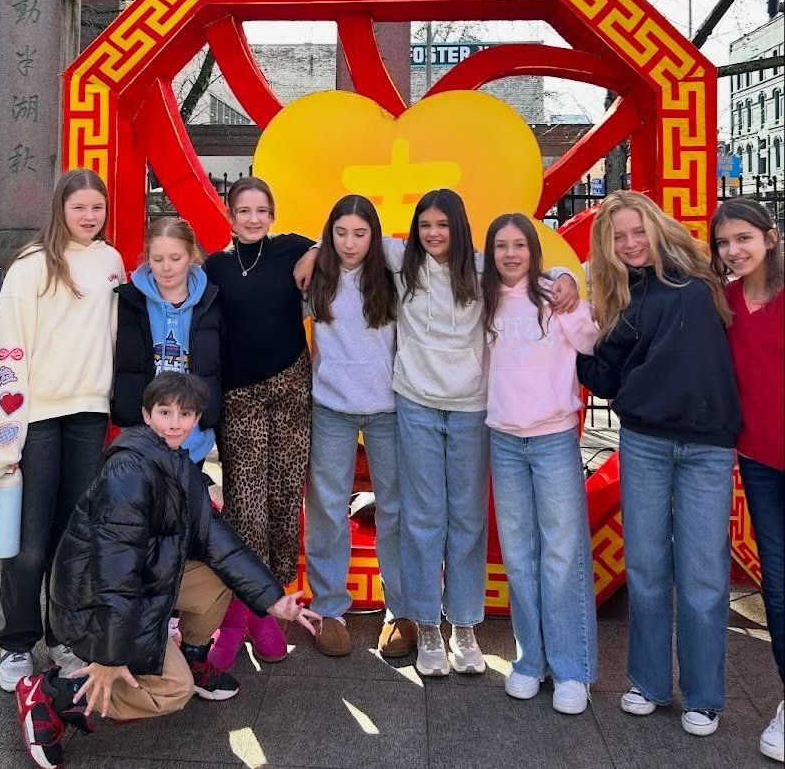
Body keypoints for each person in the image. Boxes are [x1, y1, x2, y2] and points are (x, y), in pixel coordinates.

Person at [300, 189, 579, 677]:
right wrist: (310, 250)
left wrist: (566, 276)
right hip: (409, 404)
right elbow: (339, 236)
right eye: (425, 225)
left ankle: (451, 622)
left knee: (454, 518)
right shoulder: (399, 262)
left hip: (464, 407)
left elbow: (529, 273)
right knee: (412, 516)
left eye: (443, 225)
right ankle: (411, 622)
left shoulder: (478, 268)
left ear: (459, 227)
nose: (433, 233)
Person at [15, 372, 319, 768]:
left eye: (186, 413)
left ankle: (190, 654)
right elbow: (114, 570)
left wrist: (274, 599)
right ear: (145, 414)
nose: (175, 423)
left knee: (219, 578)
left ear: (197, 419)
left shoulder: (177, 463)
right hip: (93, 601)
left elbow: (218, 542)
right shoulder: (130, 469)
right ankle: (52, 693)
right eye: (165, 412)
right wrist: (111, 655)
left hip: (140, 585)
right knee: (173, 692)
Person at [578, 190, 740, 738]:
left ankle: (704, 696)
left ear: (656, 227)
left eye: (636, 231)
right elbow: (602, 375)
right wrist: (575, 329)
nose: (629, 244)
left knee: (703, 575)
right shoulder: (619, 298)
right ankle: (648, 682)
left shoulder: (707, 278)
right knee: (645, 570)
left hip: (709, 448)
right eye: (617, 237)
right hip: (644, 441)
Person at [0, 168, 125, 693]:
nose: (89, 216)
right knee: (29, 542)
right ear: (59, 209)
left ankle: (65, 638)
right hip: (36, 417)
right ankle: (18, 643)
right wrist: (4, 438)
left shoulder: (111, 263)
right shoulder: (32, 267)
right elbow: (7, 351)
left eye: (97, 207)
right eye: (79, 207)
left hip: (90, 414)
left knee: (74, 539)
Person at [482, 213, 598, 715]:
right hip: (504, 441)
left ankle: (573, 668)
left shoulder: (556, 295)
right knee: (520, 555)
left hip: (552, 439)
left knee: (563, 554)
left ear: (534, 249)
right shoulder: (481, 299)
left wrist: (572, 285)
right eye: (501, 246)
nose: (510, 254)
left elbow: (592, 342)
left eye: (519, 245)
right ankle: (532, 660)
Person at [203, 177, 314, 668]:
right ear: (230, 215)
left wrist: (312, 257)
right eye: (243, 210)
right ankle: (245, 613)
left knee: (285, 498)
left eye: (261, 210)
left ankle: (272, 603)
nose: (252, 218)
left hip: (291, 386)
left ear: (273, 214)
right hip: (239, 395)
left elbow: (338, 248)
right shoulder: (215, 266)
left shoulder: (293, 249)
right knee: (246, 505)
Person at [304, 194, 413, 659]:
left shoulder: (392, 274)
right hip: (330, 405)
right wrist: (312, 249)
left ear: (375, 235)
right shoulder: (314, 276)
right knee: (328, 507)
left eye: (360, 233)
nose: (350, 243)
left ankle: (401, 609)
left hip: (388, 408)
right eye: (340, 232)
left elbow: (458, 256)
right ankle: (329, 607)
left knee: (396, 508)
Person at [710, 198, 784, 763]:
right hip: (759, 461)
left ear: (770, 238)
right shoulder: (727, 301)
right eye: (724, 243)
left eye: (744, 239)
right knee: (778, 587)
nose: (734, 251)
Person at [112, 215, 221, 465]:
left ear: (191, 256)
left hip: (192, 430)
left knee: (185, 499)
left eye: (176, 258)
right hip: (143, 430)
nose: (166, 267)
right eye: (157, 259)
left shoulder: (211, 301)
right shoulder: (130, 300)